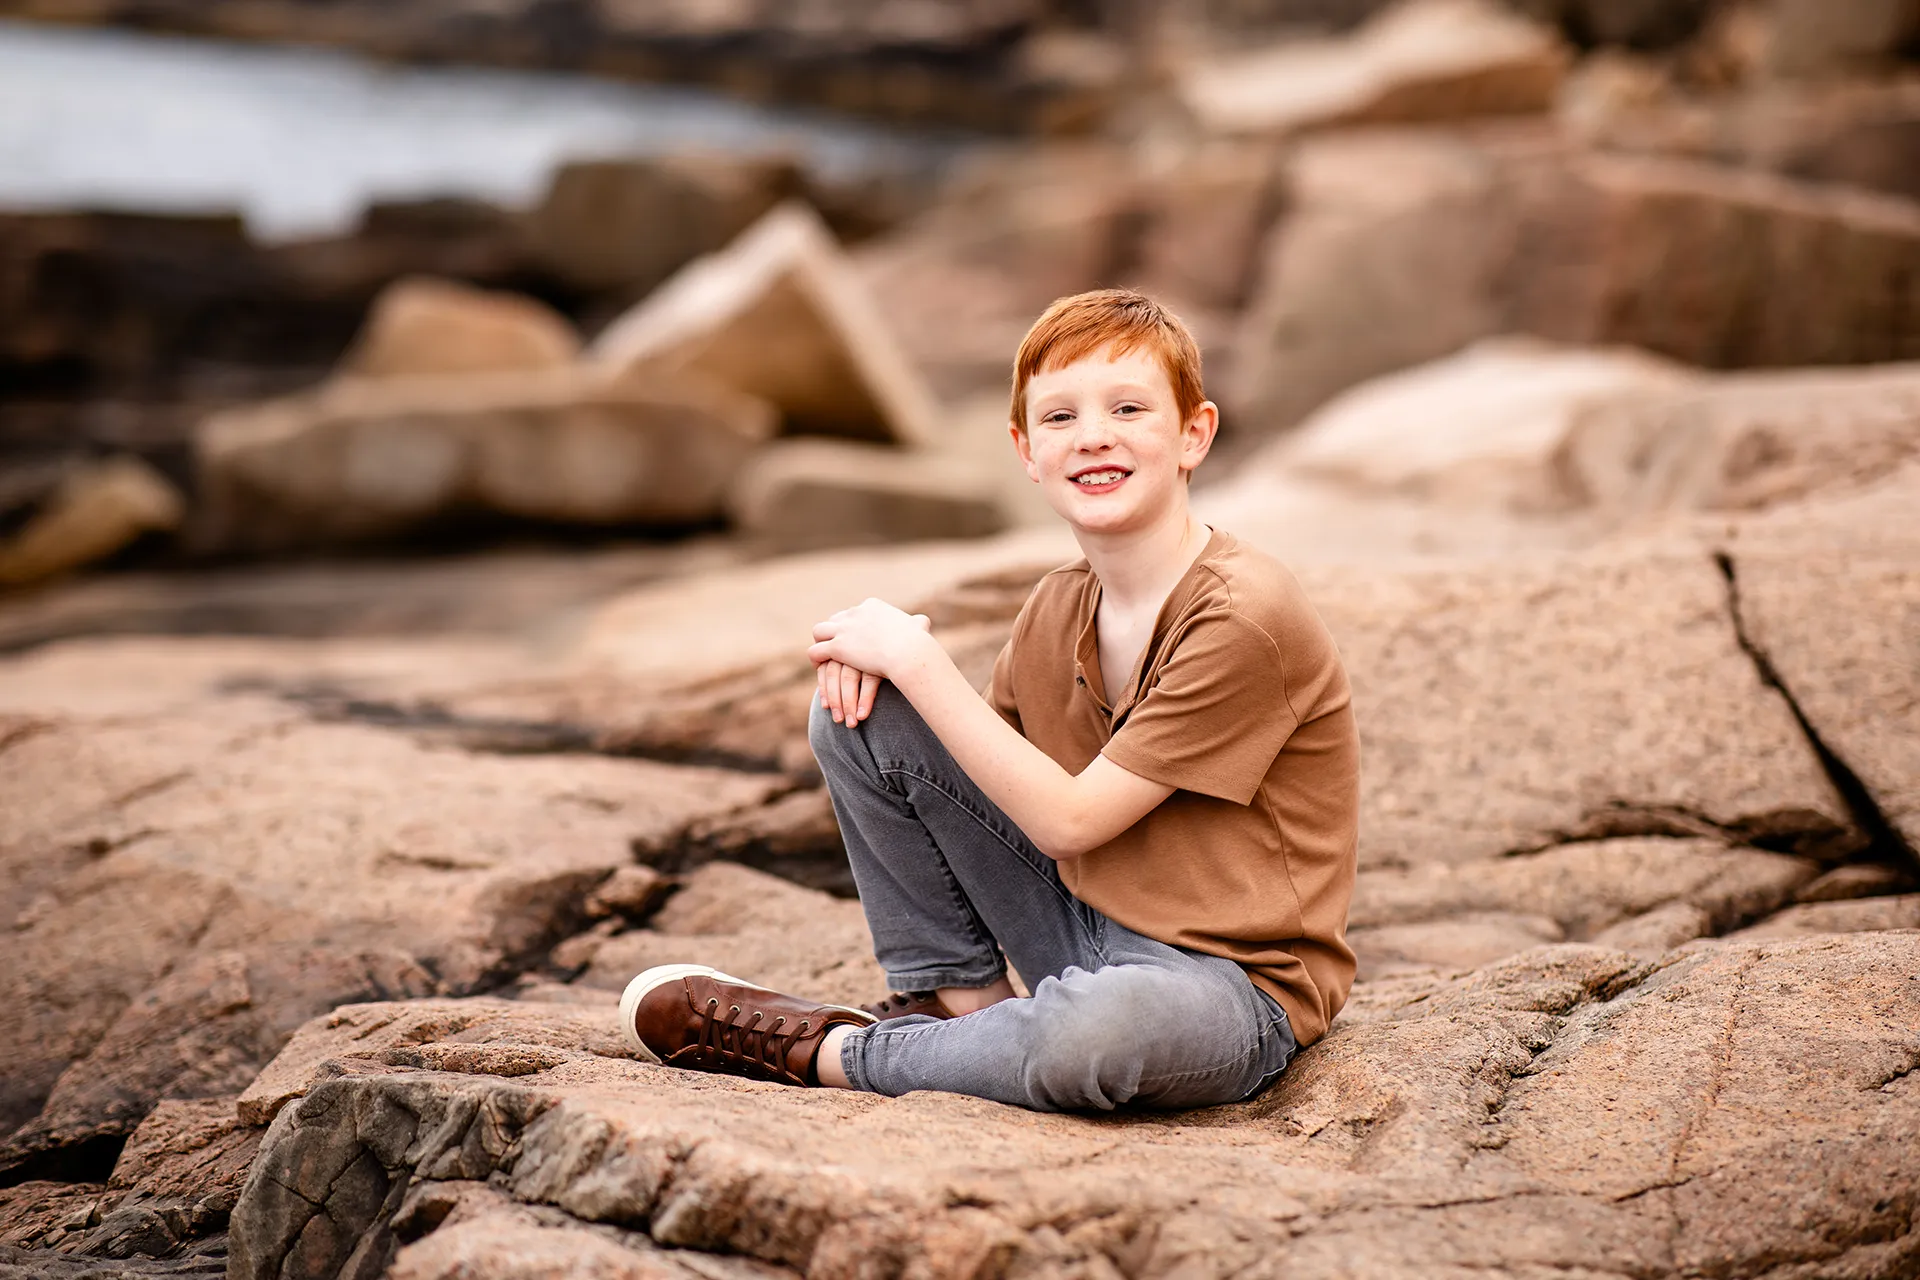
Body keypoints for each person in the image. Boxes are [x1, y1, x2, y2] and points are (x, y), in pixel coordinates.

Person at [621, 288, 1359, 1112]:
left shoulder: (1243, 614)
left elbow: (1069, 822)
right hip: (1077, 925)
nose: (1094, 437)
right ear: (1023, 449)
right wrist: (895, 676)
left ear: (1194, 434)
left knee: (1097, 1038)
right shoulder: (1056, 606)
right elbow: (976, 795)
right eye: (1060, 418)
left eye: (1128, 408)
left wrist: (923, 658)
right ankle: (958, 1005)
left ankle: (833, 1050)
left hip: (1224, 986)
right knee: (861, 708)